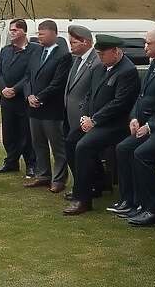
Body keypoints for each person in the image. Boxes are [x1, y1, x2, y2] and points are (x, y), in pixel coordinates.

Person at [63, 35, 140, 215]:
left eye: (103, 54)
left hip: (116, 124)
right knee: (71, 140)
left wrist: (95, 120)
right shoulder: (100, 67)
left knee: (84, 146)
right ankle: (94, 184)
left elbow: (120, 103)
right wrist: (85, 116)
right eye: (98, 53)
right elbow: (89, 94)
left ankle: (82, 199)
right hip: (95, 120)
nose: (100, 57)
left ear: (115, 51)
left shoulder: (127, 71)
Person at [115, 27, 155, 226]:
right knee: (123, 148)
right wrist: (134, 117)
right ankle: (134, 201)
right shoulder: (154, 64)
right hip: (143, 124)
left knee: (141, 154)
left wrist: (150, 126)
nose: (145, 47)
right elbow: (141, 96)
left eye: (149, 43)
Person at [24, 20, 73, 193]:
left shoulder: (63, 56)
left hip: (52, 109)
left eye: (42, 33)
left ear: (53, 34)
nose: (39, 36)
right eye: (38, 33)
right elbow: (28, 77)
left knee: (57, 146)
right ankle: (43, 175)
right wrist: (29, 95)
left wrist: (39, 97)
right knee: (38, 144)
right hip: (34, 108)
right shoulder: (36, 53)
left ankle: (59, 179)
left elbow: (58, 83)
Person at [0, 19, 38, 176]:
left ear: (24, 32)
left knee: (26, 134)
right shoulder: (5, 50)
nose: (12, 33)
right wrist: (3, 88)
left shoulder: (33, 50)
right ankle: (11, 161)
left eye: (15, 30)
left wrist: (15, 89)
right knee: (8, 133)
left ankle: (31, 164)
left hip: (23, 99)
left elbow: (30, 75)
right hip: (6, 100)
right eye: (11, 30)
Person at [61, 25, 99, 196]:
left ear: (85, 42)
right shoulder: (77, 59)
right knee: (76, 150)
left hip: (85, 118)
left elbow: (93, 92)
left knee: (78, 150)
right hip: (71, 115)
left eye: (74, 42)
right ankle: (88, 185)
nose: (71, 46)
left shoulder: (95, 62)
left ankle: (86, 187)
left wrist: (88, 116)